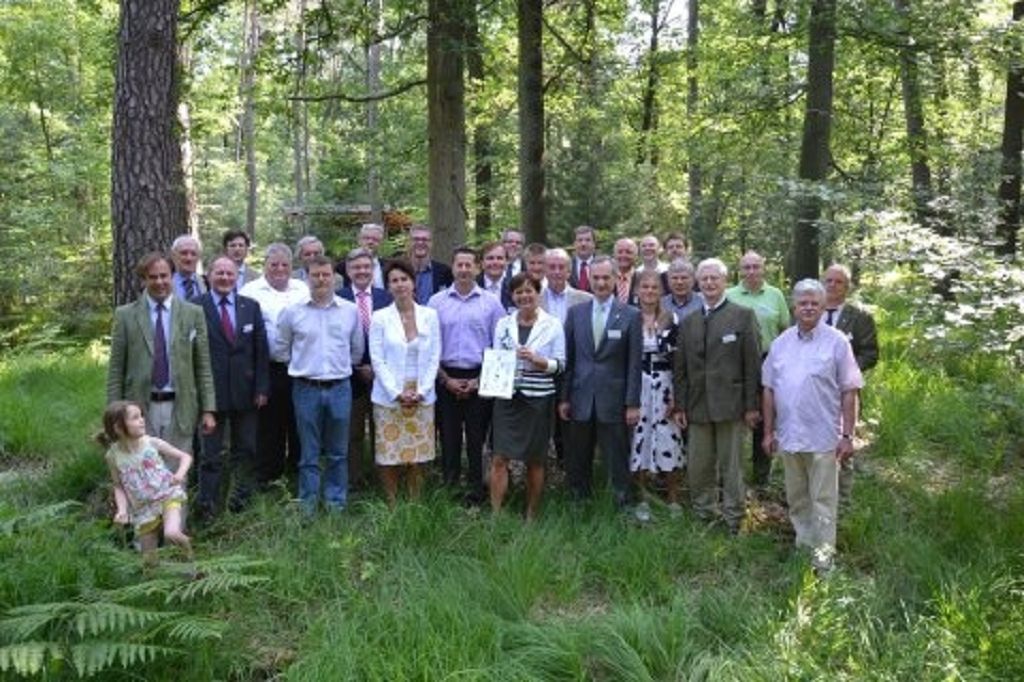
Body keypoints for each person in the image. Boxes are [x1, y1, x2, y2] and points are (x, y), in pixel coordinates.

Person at [762, 279, 863, 573]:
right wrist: (769, 431)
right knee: (797, 498)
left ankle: (823, 559)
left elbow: (850, 390)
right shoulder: (780, 344)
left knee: (823, 499)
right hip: (790, 436)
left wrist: (847, 435)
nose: (808, 308)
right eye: (803, 303)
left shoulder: (837, 342)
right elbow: (768, 388)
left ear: (822, 306)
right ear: (794, 307)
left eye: (814, 303)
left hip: (823, 437)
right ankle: (803, 547)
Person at [674, 258, 761, 533]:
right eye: (705, 279)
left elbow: (753, 365)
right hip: (697, 406)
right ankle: (704, 513)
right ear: (698, 283)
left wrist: (751, 406)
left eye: (715, 278)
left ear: (725, 282)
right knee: (699, 465)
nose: (709, 283)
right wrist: (680, 405)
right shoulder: (689, 322)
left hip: (732, 406)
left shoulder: (742, 316)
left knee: (731, 466)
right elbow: (681, 369)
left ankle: (734, 517)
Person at [275, 255, 364, 515]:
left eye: (326, 274)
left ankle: (336, 504)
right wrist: (306, 367)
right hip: (306, 388)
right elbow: (282, 350)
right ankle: (308, 506)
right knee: (309, 453)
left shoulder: (349, 311)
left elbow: (356, 351)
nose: (322, 279)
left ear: (334, 278)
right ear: (307, 277)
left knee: (338, 452)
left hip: (340, 388)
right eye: (316, 275)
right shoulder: (292, 312)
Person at [107, 252, 216, 454]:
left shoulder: (193, 314)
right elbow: (116, 369)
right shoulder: (125, 315)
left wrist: (208, 409)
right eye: (153, 277)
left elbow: (203, 366)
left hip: (181, 407)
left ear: (172, 276)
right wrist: (113, 413)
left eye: (164, 276)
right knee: (142, 474)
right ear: (144, 280)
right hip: (138, 409)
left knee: (176, 477)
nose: (159, 282)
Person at [558, 256, 643, 510]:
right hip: (580, 396)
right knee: (578, 454)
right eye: (596, 278)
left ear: (616, 279)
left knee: (616, 455)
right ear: (589, 280)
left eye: (606, 277)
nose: (601, 282)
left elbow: (634, 364)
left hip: (614, 399)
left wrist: (632, 403)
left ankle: (622, 502)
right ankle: (578, 500)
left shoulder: (630, 315)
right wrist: (564, 397)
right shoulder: (575, 314)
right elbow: (569, 359)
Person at [194, 257, 269, 519]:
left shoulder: (250, 307)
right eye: (219, 273)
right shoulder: (195, 307)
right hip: (210, 397)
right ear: (209, 276)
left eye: (230, 273)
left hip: (246, 394)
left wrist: (262, 388)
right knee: (210, 455)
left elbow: (261, 350)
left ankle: (241, 504)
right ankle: (208, 508)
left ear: (237, 276)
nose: (225, 277)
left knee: (246, 450)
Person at [429, 246, 506, 504]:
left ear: (477, 268)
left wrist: (478, 381)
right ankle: (450, 487)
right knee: (448, 436)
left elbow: (500, 346)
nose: (463, 270)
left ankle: (476, 490)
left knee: (476, 438)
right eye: (459, 265)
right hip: (445, 376)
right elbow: (430, 347)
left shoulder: (491, 303)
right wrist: (445, 379)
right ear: (452, 267)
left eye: (468, 265)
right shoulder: (436, 303)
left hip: (479, 376)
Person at [490, 273, 565, 519]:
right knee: (500, 457)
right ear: (512, 296)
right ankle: (496, 514)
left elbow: (561, 365)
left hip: (538, 399)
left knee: (535, 458)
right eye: (518, 292)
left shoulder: (553, 324)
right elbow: (497, 360)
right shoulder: (503, 324)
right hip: (508, 398)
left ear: (537, 293)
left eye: (528, 291)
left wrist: (538, 360)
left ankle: (531, 514)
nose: (524, 296)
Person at [369, 260, 441, 506]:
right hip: (389, 395)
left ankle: (414, 503)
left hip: (422, 393)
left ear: (413, 282)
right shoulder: (379, 318)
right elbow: (377, 360)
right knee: (390, 454)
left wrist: (421, 390)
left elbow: (434, 356)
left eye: (404, 279)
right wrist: (396, 392)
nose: (400, 285)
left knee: (417, 454)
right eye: (394, 281)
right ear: (388, 286)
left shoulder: (430, 315)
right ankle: (392, 504)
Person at [239, 243, 309, 487]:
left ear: (292, 267)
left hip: (299, 367)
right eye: (274, 264)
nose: (279, 269)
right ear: (265, 266)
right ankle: (269, 476)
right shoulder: (250, 290)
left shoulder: (302, 289)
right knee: (269, 425)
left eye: (285, 265)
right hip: (267, 367)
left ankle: (297, 473)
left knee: (298, 421)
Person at [99, 401, 194, 569]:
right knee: (149, 562)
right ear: (118, 427)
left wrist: (179, 474)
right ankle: (156, 589)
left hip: (167, 495)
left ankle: (190, 563)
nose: (142, 420)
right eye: (135, 418)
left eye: (141, 415)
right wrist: (122, 510)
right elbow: (118, 485)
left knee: (171, 533)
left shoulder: (151, 443)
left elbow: (185, 457)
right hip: (143, 509)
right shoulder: (112, 456)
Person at [725, 250, 791, 487]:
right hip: (735, 363)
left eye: (756, 267)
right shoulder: (729, 295)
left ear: (764, 269)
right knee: (737, 418)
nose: (751, 272)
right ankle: (733, 478)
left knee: (765, 419)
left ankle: (762, 477)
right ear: (739, 270)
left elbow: (786, 330)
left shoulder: (776, 295)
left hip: (768, 362)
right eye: (746, 267)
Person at [822, 263, 879, 501]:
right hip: (814, 391)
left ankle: (842, 500)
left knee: (843, 443)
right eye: (829, 281)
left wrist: (846, 371)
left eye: (839, 282)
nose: (833, 286)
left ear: (848, 286)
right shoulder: (810, 310)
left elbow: (870, 353)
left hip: (844, 391)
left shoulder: (859, 317)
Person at [630, 271, 684, 521]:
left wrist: (677, 396)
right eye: (645, 287)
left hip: (664, 385)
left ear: (661, 292)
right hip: (638, 385)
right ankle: (641, 499)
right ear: (637, 291)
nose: (649, 291)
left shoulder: (671, 318)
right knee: (639, 439)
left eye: (654, 287)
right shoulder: (629, 318)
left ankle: (673, 499)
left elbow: (678, 359)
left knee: (668, 439)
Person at [338, 248, 393, 491]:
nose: (361, 271)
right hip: (350, 377)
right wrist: (356, 366)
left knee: (383, 430)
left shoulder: (387, 297)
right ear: (348, 271)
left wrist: (378, 367)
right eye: (356, 267)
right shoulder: (338, 298)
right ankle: (354, 480)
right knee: (353, 433)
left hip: (384, 377)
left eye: (366, 267)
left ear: (373, 270)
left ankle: (383, 480)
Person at [541, 248, 592, 325]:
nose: (557, 272)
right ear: (544, 271)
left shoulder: (586, 300)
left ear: (569, 272)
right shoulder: (535, 300)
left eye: (561, 267)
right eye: (552, 267)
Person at [407, 224, 453, 304]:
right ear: (409, 243)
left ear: (431, 243)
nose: (420, 242)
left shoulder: (445, 272)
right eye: (416, 239)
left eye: (425, 239)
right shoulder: (399, 270)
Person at [477, 241, 513, 311]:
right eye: (490, 258)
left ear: (507, 262)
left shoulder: (514, 287)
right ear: (482, 262)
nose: (495, 262)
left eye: (499, 258)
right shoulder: (472, 286)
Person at [170, 235, 207, 300]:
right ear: (174, 256)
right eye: (184, 253)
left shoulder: (207, 284)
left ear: (198, 257)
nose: (189, 258)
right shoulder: (163, 283)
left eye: (193, 254)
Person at [569, 225, 597, 292]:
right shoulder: (567, 265)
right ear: (574, 244)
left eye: (588, 240)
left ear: (594, 243)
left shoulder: (602, 265)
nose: (583, 244)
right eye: (580, 240)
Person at [613, 237, 640, 306]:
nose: (623, 255)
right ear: (614, 255)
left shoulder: (642, 279)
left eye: (628, 252)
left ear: (636, 256)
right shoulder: (607, 278)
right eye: (620, 252)